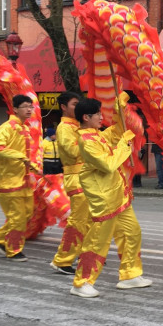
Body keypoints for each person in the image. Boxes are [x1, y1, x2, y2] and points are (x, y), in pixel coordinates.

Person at [70, 97, 151, 298]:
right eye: (97, 114)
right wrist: (124, 145)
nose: (100, 117)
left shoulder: (98, 135)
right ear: (86, 117)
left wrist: (120, 108)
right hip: (104, 197)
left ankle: (130, 274)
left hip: (119, 194)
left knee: (132, 232)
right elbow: (107, 164)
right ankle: (82, 282)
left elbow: (118, 129)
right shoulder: (86, 141)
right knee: (98, 241)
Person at [0, 95, 37, 262]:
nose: (29, 110)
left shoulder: (25, 128)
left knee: (28, 214)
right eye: (25, 106)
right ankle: (13, 249)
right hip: (9, 181)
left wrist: (32, 165)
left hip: (24, 180)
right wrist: (20, 156)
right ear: (15, 109)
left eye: (31, 107)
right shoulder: (7, 127)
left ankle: (0, 238)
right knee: (17, 217)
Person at [50, 92, 89, 275]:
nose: (78, 107)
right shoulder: (65, 128)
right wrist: (90, 141)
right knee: (78, 221)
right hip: (75, 175)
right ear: (64, 107)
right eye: (74, 104)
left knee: (89, 220)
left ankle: (86, 253)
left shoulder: (80, 126)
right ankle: (62, 259)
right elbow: (73, 151)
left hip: (87, 176)